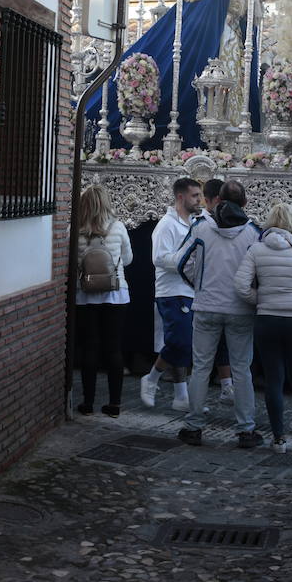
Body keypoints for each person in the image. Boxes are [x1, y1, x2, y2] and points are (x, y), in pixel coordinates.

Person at [174, 180, 263, 449]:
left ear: (218, 200)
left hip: (207, 306)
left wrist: (199, 287)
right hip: (240, 308)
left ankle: (194, 426)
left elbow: (183, 264)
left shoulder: (202, 228)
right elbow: (258, 273)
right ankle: (246, 429)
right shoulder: (252, 233)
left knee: (201, 367)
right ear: (244, 203)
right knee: (241, 369)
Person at [235, 202, 292, 454]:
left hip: (268, 321)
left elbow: (241, 285)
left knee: (274, 379)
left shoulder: (257, 250)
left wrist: (262, 299)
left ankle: (278, 439)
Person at [141, 177, 203, 411]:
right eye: (195, 195)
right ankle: (152, 378)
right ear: (181, 197)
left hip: (190, 290)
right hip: (172, 290)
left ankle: (181, 396)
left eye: (200, 195)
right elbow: (158, 258)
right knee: (179, 341)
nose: (199, 200)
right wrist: (187, 260)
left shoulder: (195, 222)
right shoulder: (166, 225)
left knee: (185, 345)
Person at [76, 184, 133, 418]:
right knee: (113, 348)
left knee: (89, 347)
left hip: (85, 294)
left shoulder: (76, 229)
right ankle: (114, 404)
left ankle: (87, 403)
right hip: (115, 293)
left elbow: (72, 262)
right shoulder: (118, 227)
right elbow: (128, 259)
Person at [201, 178, 234, 404]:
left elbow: (188, 265)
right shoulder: (247, 229)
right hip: (227, 298)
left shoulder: (201, 226)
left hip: (210, 297)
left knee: (205, 356)